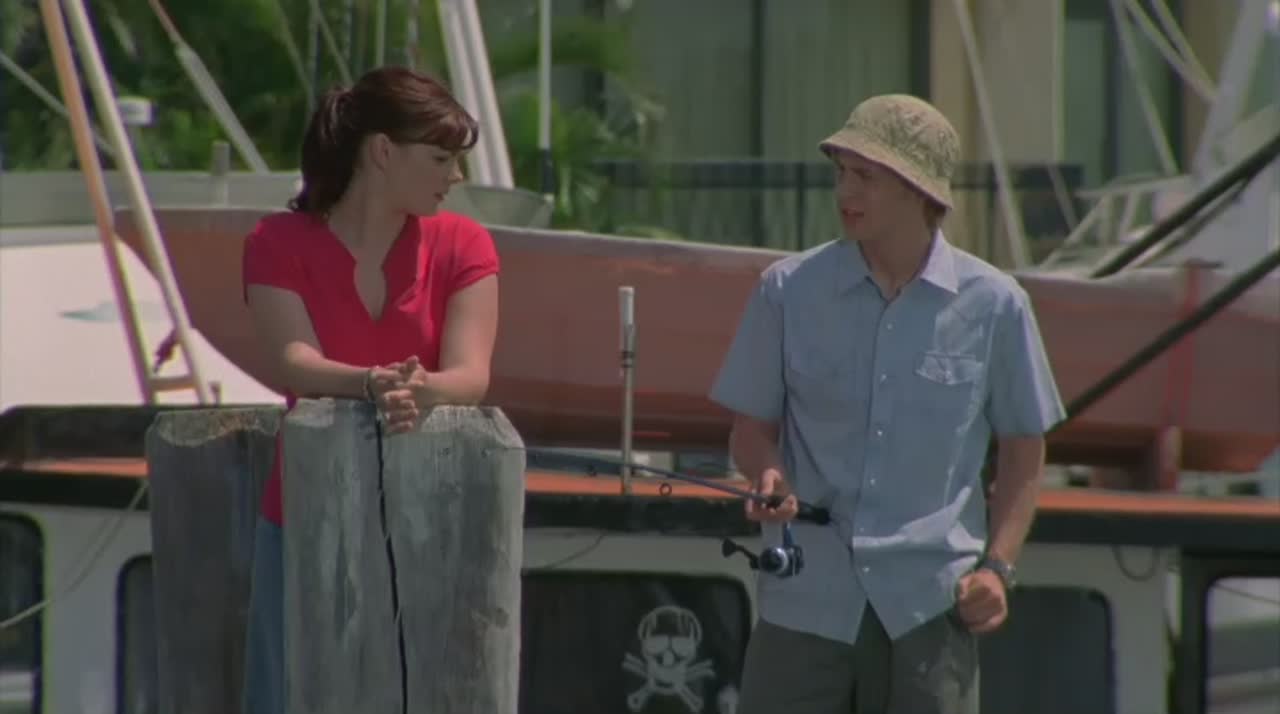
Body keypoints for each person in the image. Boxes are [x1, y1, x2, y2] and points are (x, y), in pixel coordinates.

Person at [709, 94, 1065, 713]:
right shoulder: (786, 290)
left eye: (865, 176)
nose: (844, 191)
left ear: (918, 191)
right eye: (842, 172)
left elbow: (1023, 453)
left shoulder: (996, 305)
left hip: (932, 610)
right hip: (805, 606)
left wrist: (997, 570)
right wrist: (768, 473)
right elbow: (750, 429)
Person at [239, 66, 501, 714]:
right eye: (440, 158)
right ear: (383, 151)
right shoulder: (275, 242)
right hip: (303, 516)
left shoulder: (465, 244)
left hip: (430, 524)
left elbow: (471, 376)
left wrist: (421, 389)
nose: (455, 176)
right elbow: (293, 362)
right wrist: (372, 384)